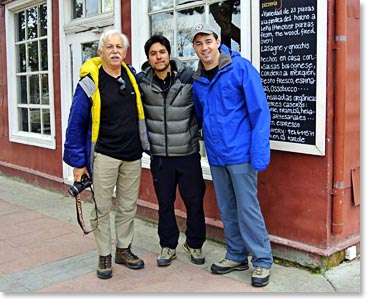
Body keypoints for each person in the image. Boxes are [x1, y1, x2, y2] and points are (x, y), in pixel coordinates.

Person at [190, 24, 273, 287]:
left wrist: (259, 154)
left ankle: (261, 261)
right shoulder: (199, 78)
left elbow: (259, 111)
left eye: (208, 41)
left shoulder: (240, 68)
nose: (204, 48)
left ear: (217, 42)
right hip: (216, 155)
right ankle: (236, 254)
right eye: (198, 44)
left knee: (248, 208)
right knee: (227, 208)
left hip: (241, 153)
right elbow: (203, 116)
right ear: (194, 48)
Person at [63, 28, 150, 280]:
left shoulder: (132, 76)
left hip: (132, 155)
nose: (114, 51)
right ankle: (104, 254)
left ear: (125, 52)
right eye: (109, 47)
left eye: (119, 47)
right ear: (100, 51)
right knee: (101, 208)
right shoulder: (90, 81)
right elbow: (75, 123)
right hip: (104, 156)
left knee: (127, 206)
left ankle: (123, 249)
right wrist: (78, 163)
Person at [137, 35, 206, 267]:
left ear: (169, 54)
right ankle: (168, 245)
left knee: (194, 202)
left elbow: (202, 107)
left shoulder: (188, 78)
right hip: (160, 158)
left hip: (187, 154)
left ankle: (195, 244)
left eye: (162, 52)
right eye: (153, 53)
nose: (159, 57)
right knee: (165, 204)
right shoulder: (142, 82)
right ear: (148, 58)